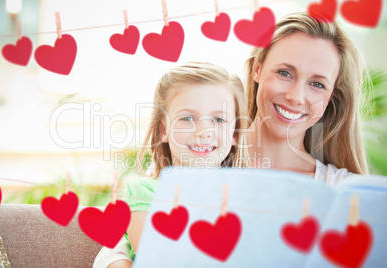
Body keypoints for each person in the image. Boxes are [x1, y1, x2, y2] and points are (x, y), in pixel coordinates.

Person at [93, 61, 248, 267]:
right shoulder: (143, 192)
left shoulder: (246, 197)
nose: (203, 131)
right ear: (163, 130)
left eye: (218, 120)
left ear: (235, 132)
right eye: (187, 118)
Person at [244, 12, 369, 184]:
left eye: (317, 84)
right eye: (285, 73)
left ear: (331, 96)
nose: (295, 97)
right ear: (256, 70)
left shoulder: (344, 189)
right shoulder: (202, 162)